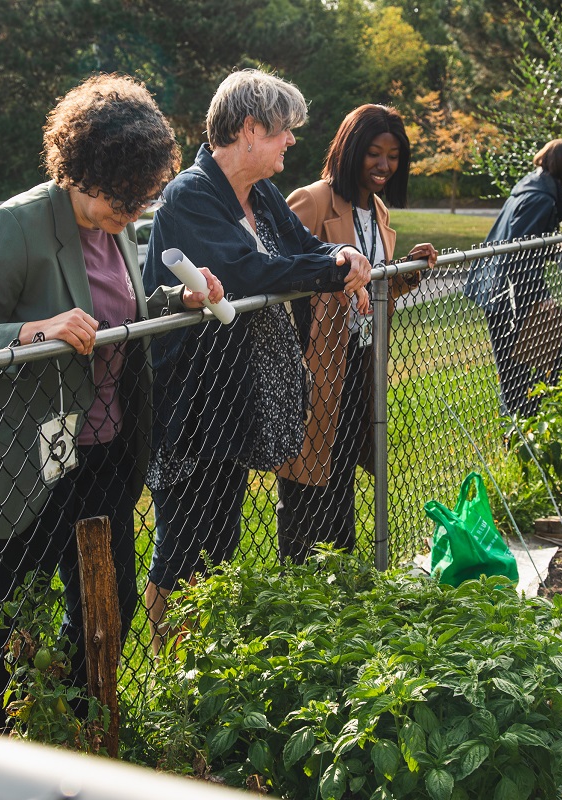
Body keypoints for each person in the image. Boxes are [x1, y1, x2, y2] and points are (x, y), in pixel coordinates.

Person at [0, 74, 223, 730]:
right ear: (82, 169)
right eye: (125, 201)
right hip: (26, 463)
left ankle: (76, 727)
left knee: (104, 607)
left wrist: (177, 301)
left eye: (142, 201)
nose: (135, 215)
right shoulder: (14, 227)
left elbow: (113, 311)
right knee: (6, 614)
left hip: (106, 455)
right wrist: (35, 331)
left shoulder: (113, 227)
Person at [142, 68, 373, 654]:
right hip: (194, 395)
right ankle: (172, 659)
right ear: (249, 129)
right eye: (283, 131)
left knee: (222, 533)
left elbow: (302, 246)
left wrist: (340, 252)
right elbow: (249, 270)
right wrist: (334, 270)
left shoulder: (262, 193)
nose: (291, 142)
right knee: (185, 536)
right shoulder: (191, 195)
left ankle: (208, 657)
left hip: (242, 387)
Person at [275, 104, 437, 564]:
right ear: (349, 151)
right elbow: (281, 270)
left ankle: (341, 575)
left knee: (341, 471)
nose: (384, 165)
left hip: (359, 364)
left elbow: (369, 285)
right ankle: (302, 583)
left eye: (392, 155)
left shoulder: (378, 210)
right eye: (372, 153)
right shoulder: (313, 200)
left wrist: (404, 271)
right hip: (312, 366)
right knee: (307, 480)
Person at [463, 139, 562, 416]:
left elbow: (523, 241)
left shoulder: (535, 188)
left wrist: (552, 248)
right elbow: (519, 255)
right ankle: (521, 435)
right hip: (510, 295)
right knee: (526, 370)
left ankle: (531, 427)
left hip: (502, 289)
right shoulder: (539, 198)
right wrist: (541, 299)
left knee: (536, 365)